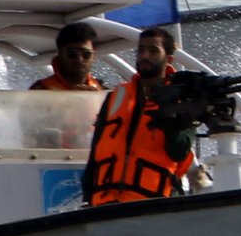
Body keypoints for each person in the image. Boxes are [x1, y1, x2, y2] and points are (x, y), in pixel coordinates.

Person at [82, 25, 197, 206]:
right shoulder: (116, 97)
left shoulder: (182, 100)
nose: (145, 56)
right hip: (104, 205)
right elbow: (95, 153)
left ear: (168, 59)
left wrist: (172, 118)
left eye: (153, 51)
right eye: (141, 50)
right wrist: (87, 199)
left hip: (153, 206)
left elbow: (179, 152)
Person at [29, 21, 105, 91]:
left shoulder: (104, 91)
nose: (79, 59)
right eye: (72, 54)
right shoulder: (40, 90)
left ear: (94, 55)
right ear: (60, 53)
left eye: (86, 54)